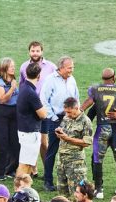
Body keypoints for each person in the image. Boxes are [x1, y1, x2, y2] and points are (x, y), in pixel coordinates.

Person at [81, 68, 116, 197]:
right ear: (113, 78)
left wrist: (79, 112)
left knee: (98, 159)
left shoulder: (96, 89)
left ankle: (99, 189)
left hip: (102, 128)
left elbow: (88, 103)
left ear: (103, 78)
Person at [40, 56, 80, 192]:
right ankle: (48, 181)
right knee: (52, 151)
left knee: (71, 151)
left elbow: (76, 98)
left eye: (72, 67)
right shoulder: (50, 79)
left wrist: (76, 114)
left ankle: (69, 181)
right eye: (69, 68)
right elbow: (44, 99)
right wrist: (53, 117)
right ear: (61, 67)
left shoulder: (72, 80)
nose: (72, 70)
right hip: (56, 119)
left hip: (70, 119)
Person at [16, 63, 48, 179]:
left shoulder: (23, 87)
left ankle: (22, 188)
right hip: (30, 133)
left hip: (25, 131)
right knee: (25, 165)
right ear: (39, 76)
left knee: (28, 163)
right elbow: (43, 114)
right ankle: (19, 188)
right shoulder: (31, 93)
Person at [55, 97, 92, 196]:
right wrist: (60, 132)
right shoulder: (66, 118)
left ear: (77, 108)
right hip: (62, 161)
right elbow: (64, 131)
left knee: (77, 194)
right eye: (66, 112)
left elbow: (86, 143)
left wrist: (67, 139)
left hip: (76, 164)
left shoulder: (85, 121)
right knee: (62, 193)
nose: (67, 115)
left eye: (70, 112)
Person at [0, 58, 20, 180]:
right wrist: (13, 88)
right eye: (10, 66)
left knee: (15, 142)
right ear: (4, 68)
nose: (13, 68)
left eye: (13, 65)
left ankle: (10, 169)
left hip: (14, 111)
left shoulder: (14, 79)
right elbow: (2, 99)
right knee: (0, 142)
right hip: (1, 112)